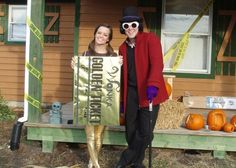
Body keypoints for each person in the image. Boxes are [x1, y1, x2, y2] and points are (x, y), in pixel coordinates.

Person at [116, 6, 169, 168]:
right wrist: (123, 99)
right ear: (123, 28)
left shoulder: (150, 39)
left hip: (148, 92)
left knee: (145, 132)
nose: (130, 28)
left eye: (133, 24)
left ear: (138, 24)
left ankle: (126, 158)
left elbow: (157, 64)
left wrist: (153, 85)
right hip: (131, 93)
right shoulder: (122, 48)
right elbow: (123, 75)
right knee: (131, 130)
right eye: (126, 25)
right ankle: (138, 162)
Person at [71, 23, 119, 168]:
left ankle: (93, 160)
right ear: (95, 34)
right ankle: (95, 164)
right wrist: (75, 66)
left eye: (105, 34)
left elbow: (115, 78)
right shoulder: (85, 55)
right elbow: (81, 78)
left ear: (108, 39)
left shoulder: (113, 57)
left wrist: (119, 65)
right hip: (88, 99)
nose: (101, 36)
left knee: (99, 135)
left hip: (104, 100)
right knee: (90, 135)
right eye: (99, 33)